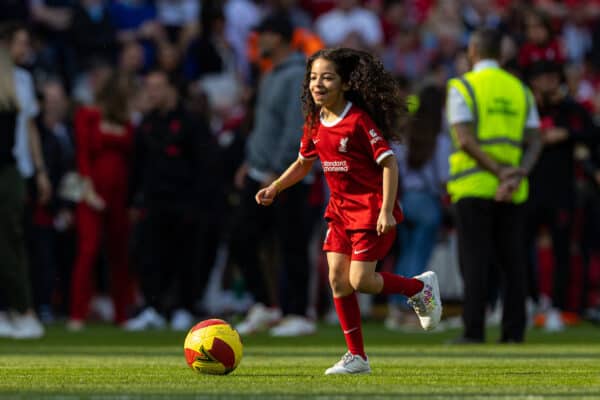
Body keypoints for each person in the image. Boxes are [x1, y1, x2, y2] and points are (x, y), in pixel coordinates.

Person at [255, 47, 442, 375]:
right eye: (313, 77)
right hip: (339, 212)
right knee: (338, 282)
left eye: (327, 77)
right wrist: (276, 187)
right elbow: (303, 163)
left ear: (344, 83)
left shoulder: (357, 120)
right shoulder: (315, 120)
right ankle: (357, 357)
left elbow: (389, 163)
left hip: (369, 210)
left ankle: (419, 288)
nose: (318, 84)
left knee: (361, 281)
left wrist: (385, 210)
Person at [446, 28, 542, 344]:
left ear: (473, 50)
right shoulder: (520, 89)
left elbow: (465, 139)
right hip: (515, 190)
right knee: (513, 262)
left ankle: (473, 331)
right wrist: (517, 175)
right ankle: (514, 333)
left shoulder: (463, 86)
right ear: (501, 54)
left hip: (474, 184)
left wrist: (500, 173)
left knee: (474, 262)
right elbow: (535, 140)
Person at [231, 14, 315, 337]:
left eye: (262, 35)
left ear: (277, 38)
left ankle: (298, 315)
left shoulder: (296, 76)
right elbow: (266, 127)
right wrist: (250, 161)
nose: (257, 42)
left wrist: (277, 171)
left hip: (287, 173)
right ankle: (266, 306)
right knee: (242, 237)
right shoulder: (272, 74)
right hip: (263, 169)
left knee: (290, 242)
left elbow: (297, 129)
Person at [126, 70, 218, 331]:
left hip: (185, 202)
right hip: (154, 201)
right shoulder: (146, 124)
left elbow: (206, 166)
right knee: (150, 256)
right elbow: (137, 165)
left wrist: (199, 202)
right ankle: (154, 308)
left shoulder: (192, 123)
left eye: (157, 87)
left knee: (185, 257)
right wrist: (132, 201)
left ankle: (184, 307)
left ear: (172, 90)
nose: (152, 93)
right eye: (149, 87)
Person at [525, 61, 597, 331]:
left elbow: (592, 134)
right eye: (542, 78)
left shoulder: (571, 110)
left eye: (552, 78)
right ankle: (533, 301)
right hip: (529, 190)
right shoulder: (528, 109)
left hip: (561, 192)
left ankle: (558, 307)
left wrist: (566, 134)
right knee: (522, 249)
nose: (547, 83)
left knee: (562, 250)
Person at [68, 73, 135, 330]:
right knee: (88, 251)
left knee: (119, 254)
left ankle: (121, 314)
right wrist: (88, 188)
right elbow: (82, 153)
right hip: (92, 193)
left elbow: (130, 160)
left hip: (119, 195)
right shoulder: (87, 115)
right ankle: (77, 313)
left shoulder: (126, 121)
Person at [385, 85, 451, 331]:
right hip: (428, 202)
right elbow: (444, 178)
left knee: (405, 254)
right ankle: (409, 310)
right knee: (419, 257)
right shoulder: (441, 140)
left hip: (405, 201)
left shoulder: (408, 135)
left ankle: (395, 308)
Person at [0, 46, 44, 339]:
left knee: (9, 245)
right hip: (9, 171)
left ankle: (22, 310)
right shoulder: (11, 100)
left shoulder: (9, 103)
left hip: (6, 173)